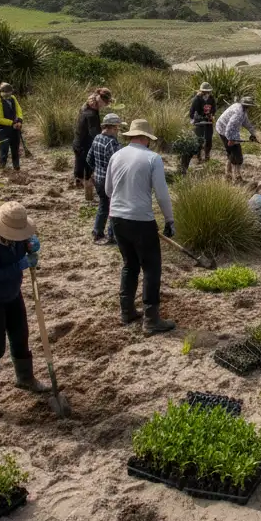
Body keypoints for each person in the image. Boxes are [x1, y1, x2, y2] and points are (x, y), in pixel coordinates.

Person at [0, 202, 49, 419]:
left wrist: (30, 245)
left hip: (12, 294)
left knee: (20, 335)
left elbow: (23, 245)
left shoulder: (16, 237)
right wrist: (21, 264)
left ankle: (25, 378)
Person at [106, 118, 177, 335]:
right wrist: (169, 219)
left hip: (116, 217)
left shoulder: (116, 156)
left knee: (130, 264)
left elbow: (108, 190)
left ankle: (126, 311)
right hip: (141, 220)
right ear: (146, 138)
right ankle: (151, 320)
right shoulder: (152, 158)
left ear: (131, 136)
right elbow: (162, 194)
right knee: (151, 267)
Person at [86, 112, 123, 245]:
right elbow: (118, 164)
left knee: (103, 206)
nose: (117, 131)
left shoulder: (97, 138)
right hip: (110, 181)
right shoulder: (112, 143)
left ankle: (97, 232)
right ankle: (111, 235)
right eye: (117, 128)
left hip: (98, 179)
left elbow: (89, 158)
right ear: (111, 127)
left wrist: (97, 170)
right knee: (113, 207)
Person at [73, 87, 112, 190]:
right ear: (101, 100)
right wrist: (106, 133)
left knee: (80, 168)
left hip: (78, 141)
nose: (106, 105)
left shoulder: (88, 105)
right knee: (87, 170)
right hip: (84, 145)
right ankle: (86, 189)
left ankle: (81, 183)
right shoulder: (91, 114)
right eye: (106, 103)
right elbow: (94, 133)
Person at [215, 96, 258, 183]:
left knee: (232, 152)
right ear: (247, 105)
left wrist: (253, 134)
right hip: (224, 130)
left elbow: (246, 123)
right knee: (237, 155)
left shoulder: (242, 110)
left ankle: (228, 174)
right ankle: (237, 177)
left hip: (226, 129)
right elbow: (230, 127)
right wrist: (230, 139)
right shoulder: (238, 113)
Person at [0, 82, 24, 172]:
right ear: (1, 93)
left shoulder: (13, 98)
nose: (8, 96)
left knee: (15, 148)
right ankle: (2, 167)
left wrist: (20, 121)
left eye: (10, 94)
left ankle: (16, 167)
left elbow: (19, 110)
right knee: (4, 149)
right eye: (6, 94)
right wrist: (12, 123)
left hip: (14, 128)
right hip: (2, 129)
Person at [189, 82, 216, 162]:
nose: (207, 93)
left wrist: (212, 115)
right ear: (201, 91)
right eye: (205, 91)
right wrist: (193, 119)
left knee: (208, 139)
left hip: (208, 120)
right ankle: (198, 157)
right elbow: (192, 111)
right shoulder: (197, 99)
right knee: (199, 140)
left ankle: (207, 155)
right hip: (199, 121)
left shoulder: (211, 98)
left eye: (208, 91)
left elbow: (214, 109)